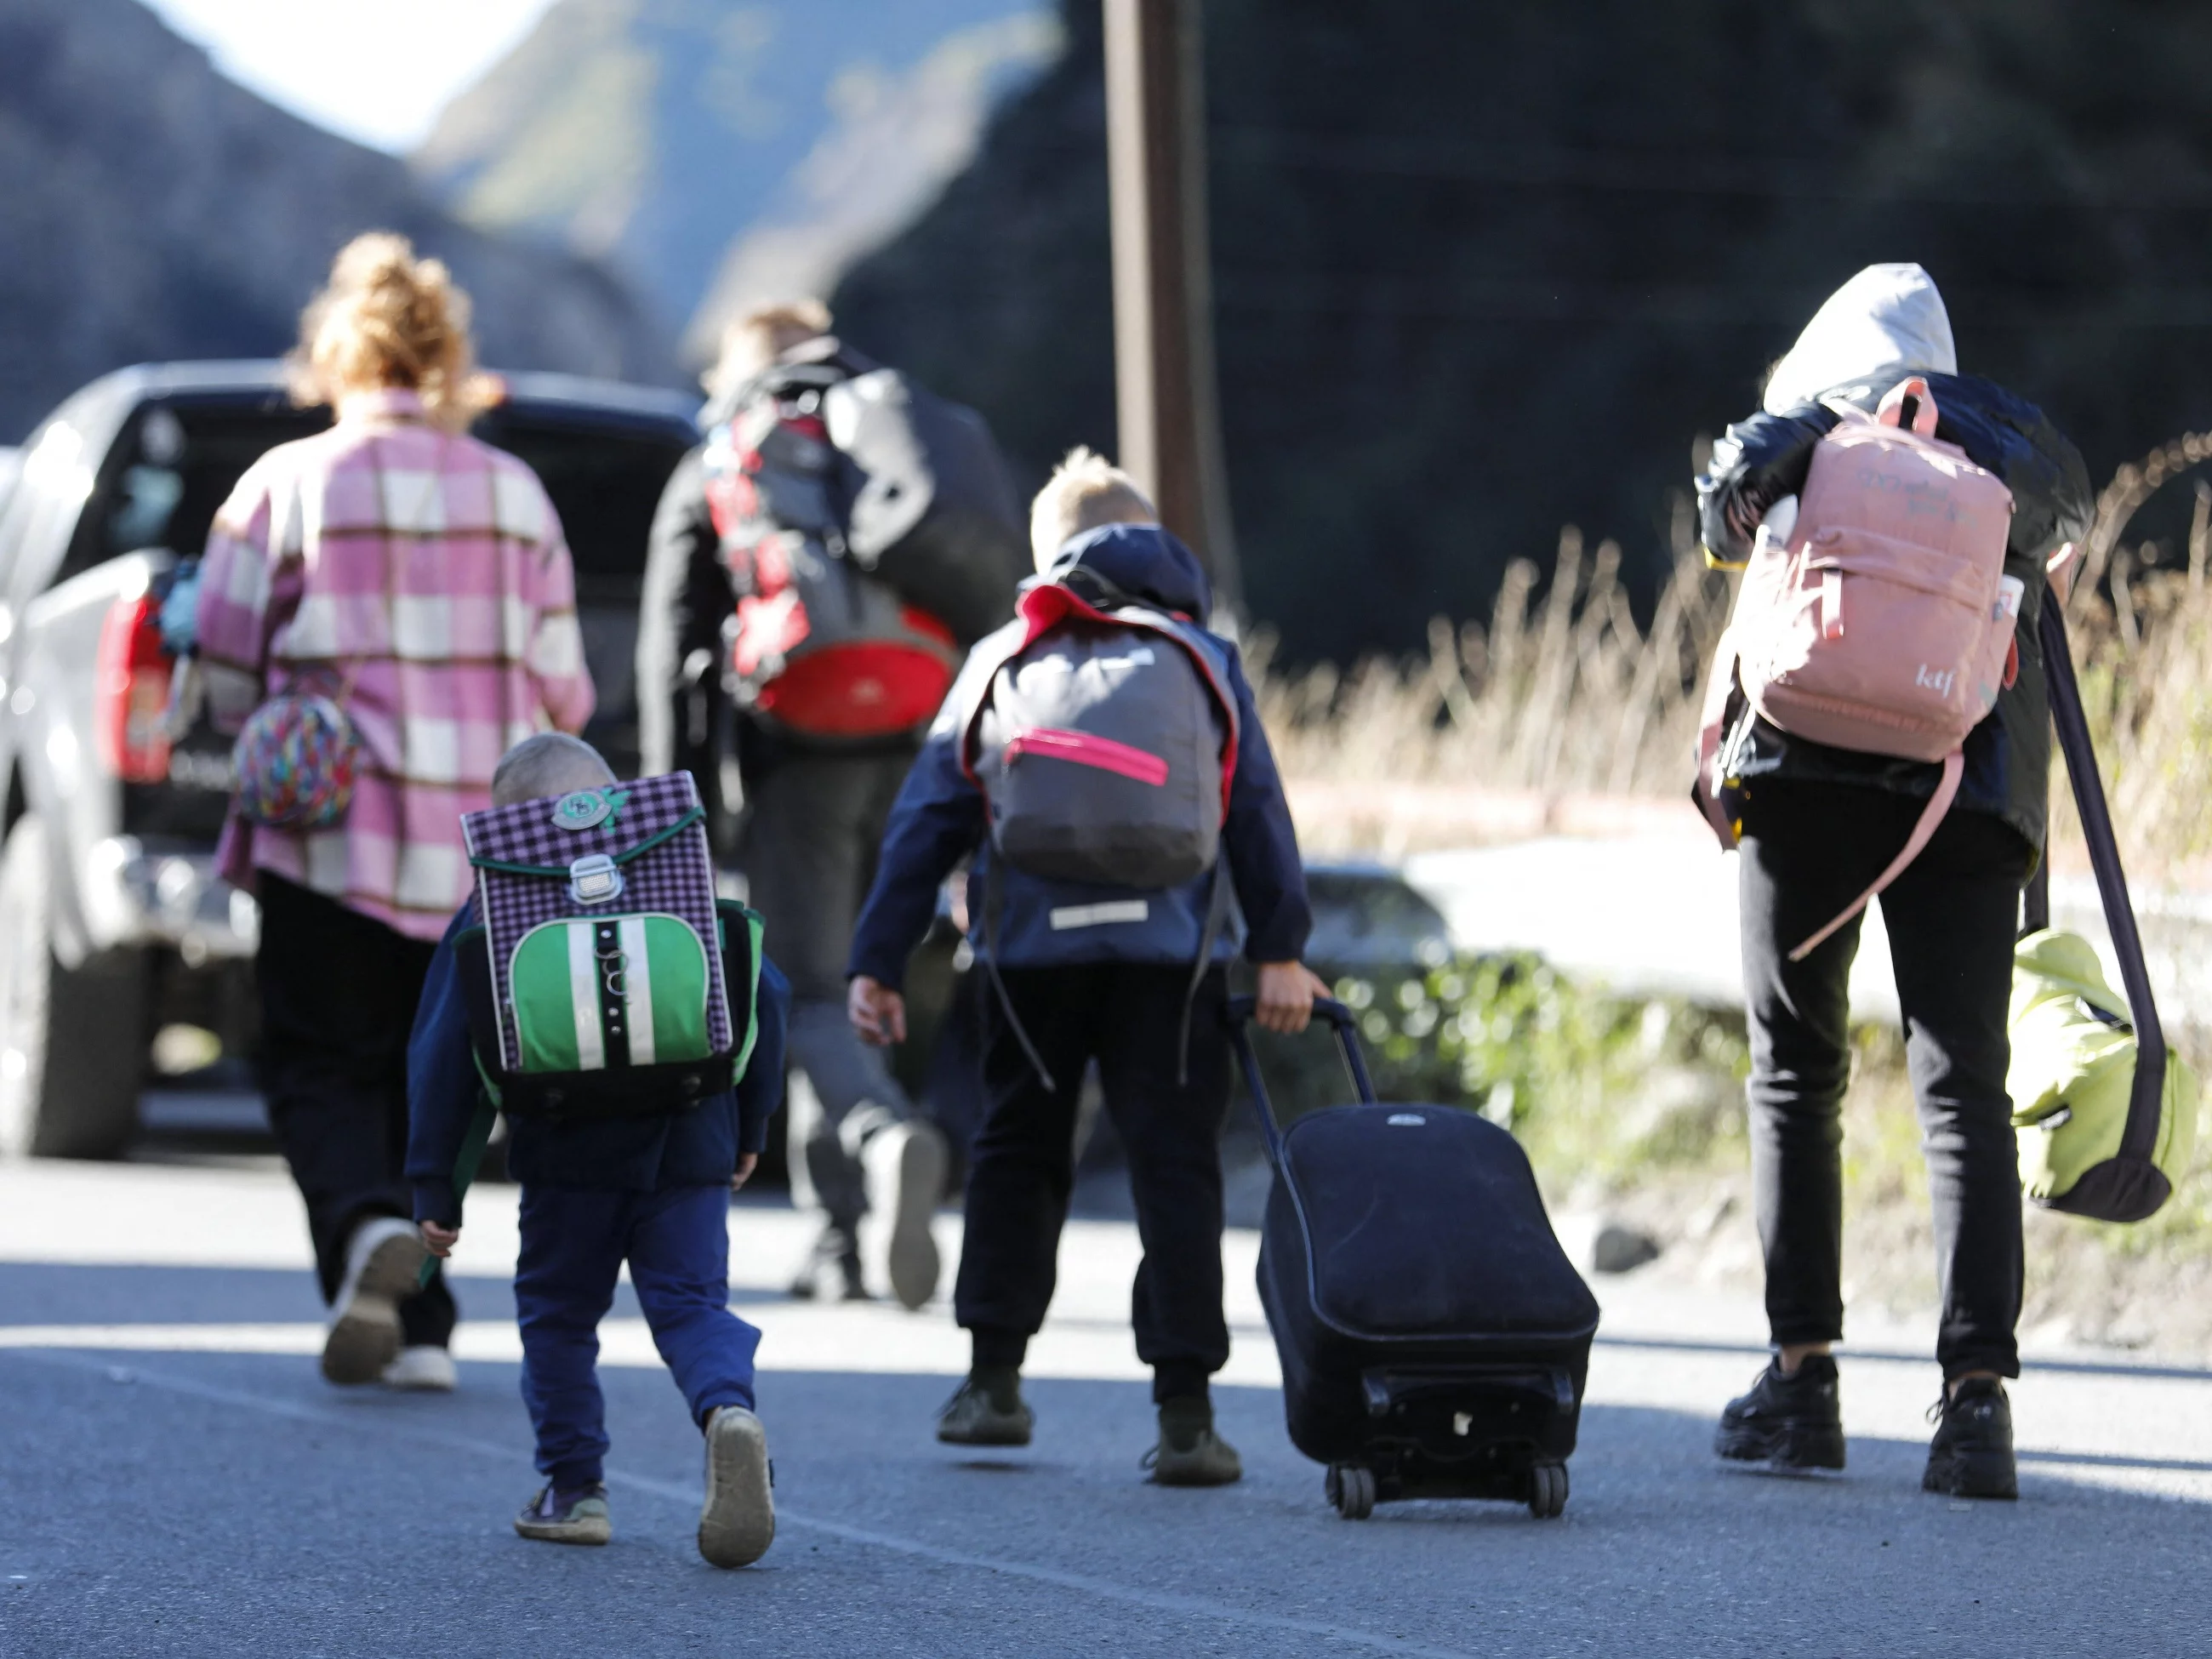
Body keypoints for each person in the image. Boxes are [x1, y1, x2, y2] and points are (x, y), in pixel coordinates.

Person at [845, 449, 1327, 1485]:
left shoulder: (1002, 658)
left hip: (1026, 961)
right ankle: (1187, 1416)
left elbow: (928, 818)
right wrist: (1281, 949)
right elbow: (1255, 814)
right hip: (1171, 957)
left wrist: (878, 960)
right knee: (1174, 1165)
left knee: (1016, 1154)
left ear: (1045, 554)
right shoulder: (1202, 657)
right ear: (1151, 546)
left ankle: (992, 1385)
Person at [1696, 264, 2092, 1500]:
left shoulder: (1798, 432)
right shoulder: (2013, 444)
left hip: (1802, 774)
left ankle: (1801, 1381)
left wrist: (1801, 438)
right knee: (1961, 1084)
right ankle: (1978, 1408)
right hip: (1964, 792)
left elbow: (1718, 511)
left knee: (1795, 1068)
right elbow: (2070, 531)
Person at [196, 233, 594, 1391]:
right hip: (478, 848)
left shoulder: (286, 480)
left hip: (329, 829)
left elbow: (224, 663)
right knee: (443, 1081)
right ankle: (422, 1326)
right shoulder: (515, 494)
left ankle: (368, 1233)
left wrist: (264, 706)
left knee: (320, 1061)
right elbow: (564, 688)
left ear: (338, 353)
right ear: (447, 355)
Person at [406, 733, 790, 1565]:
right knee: (691, 1305)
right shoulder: (677, 879)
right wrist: (750, 1127)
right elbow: (767, 993)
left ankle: (574, 1490)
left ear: (512, 828)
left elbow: (444, 1051)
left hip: (564, 1151)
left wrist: (437, 1185)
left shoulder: (495, 906)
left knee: (558, 1317)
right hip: (691, 1138)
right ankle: (727, 1410)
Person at [637, 299, 949, 1308]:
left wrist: (668, 809)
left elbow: (667, 649)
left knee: (808, 991)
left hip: (797, 757)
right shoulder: (881, 439)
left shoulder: (728, 455)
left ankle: (880, 1135)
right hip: (912, 750)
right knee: (856, 985)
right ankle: (838, 1240)